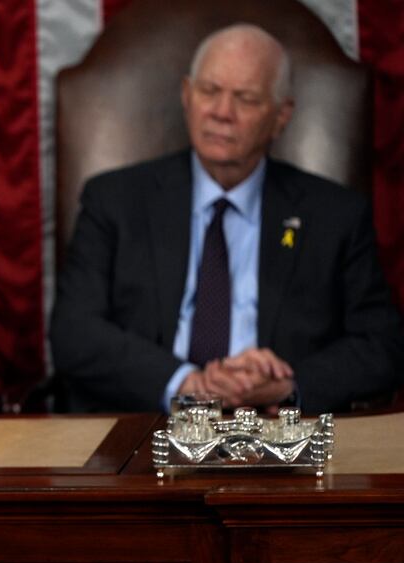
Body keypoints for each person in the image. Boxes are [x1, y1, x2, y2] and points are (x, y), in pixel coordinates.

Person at [51, 23, 404, 414]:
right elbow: (73, 333)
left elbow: (382, 346)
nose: (222, 113)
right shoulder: (115, 199)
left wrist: (287, 386)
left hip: (279, 437)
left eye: (246, 98)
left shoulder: (333, 215)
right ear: (186, 95)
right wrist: (187, 382)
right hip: (145, 426)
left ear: (281, 115)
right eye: (210, 91)